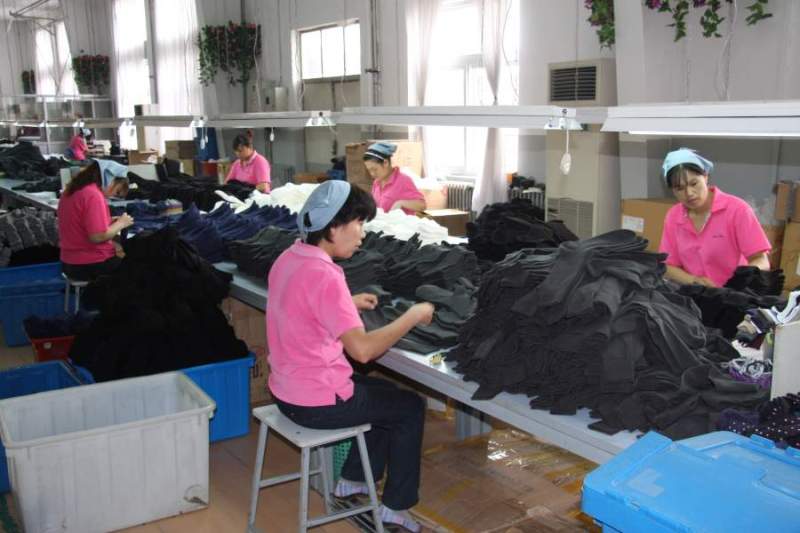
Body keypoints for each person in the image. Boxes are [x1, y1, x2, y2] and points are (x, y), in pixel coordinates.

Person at [266, 180, 434, 533]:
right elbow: (363, 351)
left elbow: (301, 306)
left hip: (286, 389)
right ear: (333, 227)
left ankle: (353, 481)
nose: (362, 234)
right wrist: (413, 316)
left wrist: (346, 303)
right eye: (358, 223)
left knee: (382, 395)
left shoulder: (289, 257)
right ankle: (396, 508)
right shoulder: (326, 274)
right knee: (409, 407)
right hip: (315, 402)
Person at [659, 148, 771, 288]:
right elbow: (667, 265)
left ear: (705, 176)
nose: (689, 193)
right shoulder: (674, 217)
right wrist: (693, 280)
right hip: (695, 293)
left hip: (735, 292)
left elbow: (761, 260)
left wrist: (742, 279)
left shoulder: (737, 210)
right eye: (679, 188)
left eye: (694, 183)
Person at [57, 161, 134, 281]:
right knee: (141, 271)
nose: (111, 195)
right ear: (110, 179)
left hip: (69, 262)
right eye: (117, 191)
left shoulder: (71, 190)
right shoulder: (93, 195)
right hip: (91, 263)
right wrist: (121, 223)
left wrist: (108, 221)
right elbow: (97, 237)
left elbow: (80, 223)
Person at [364, 141, 427, 215]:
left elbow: (422, 205)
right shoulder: (377, 183)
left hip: (402, 222)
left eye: (375, 169)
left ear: (385, 163)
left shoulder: (403, 181)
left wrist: (401, 203)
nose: (372, 174)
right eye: (369, 170)